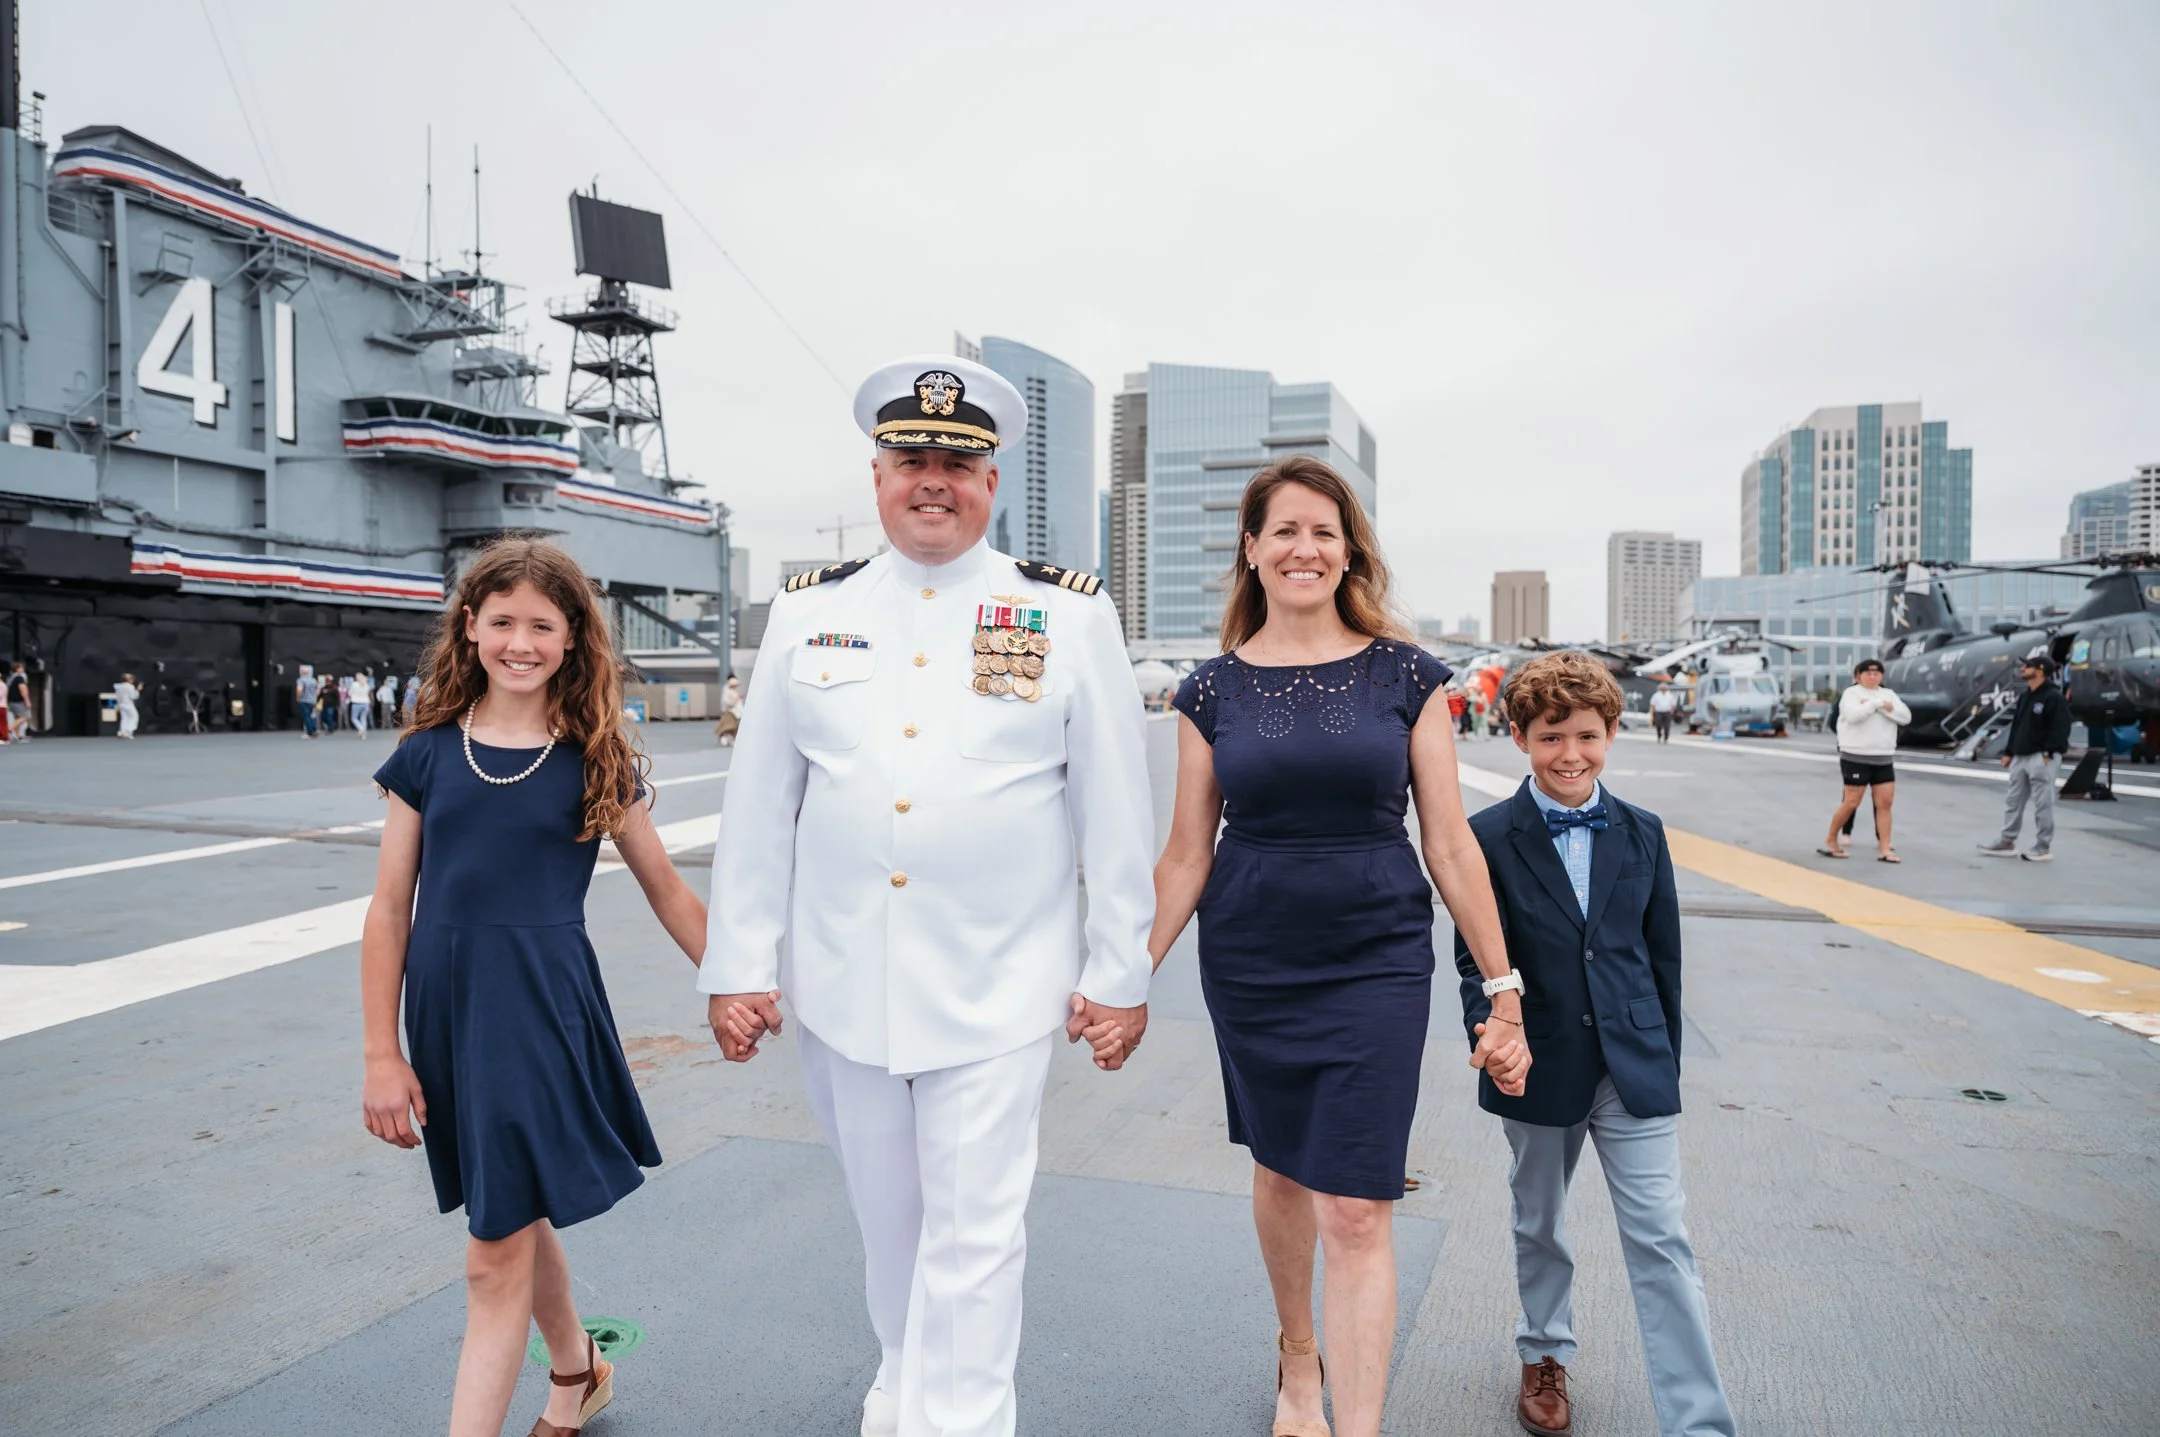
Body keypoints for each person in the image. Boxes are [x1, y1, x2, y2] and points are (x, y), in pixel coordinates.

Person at [702, 356, 1153, 1437]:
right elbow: (762, 806)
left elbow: (1115, 811)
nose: (933, 480)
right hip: (845, 978)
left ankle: (960, 1417)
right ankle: (905, 1379)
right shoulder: (813, 615)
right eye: (913, 460)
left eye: (957, 460)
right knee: (890, 1221)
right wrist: (738, 967)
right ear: (878, 476)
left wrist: (1117, 972)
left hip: (1001, 979)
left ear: (992, 479)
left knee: (976, 1232)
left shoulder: (1063, 615)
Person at [1152, 456, 1524, 1437]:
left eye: (1323, 531)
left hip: (1376, 955)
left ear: (1348, 547)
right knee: (1280, 1171)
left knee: (1357, 1206)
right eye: (1284, 531)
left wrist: (1503, 985)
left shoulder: (1407, 675)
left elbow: (1449, 841)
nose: (1304, 548)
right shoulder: (1210, 692)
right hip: (1253, 956)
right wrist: (1121, 980)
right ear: (1252, 549)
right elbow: (1187, 855)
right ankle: (1297, 1357)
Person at [360, 537, 707, 1437]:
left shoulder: (595, 756)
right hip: (447, 1014)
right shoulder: (427, 755)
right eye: (502, 620)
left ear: (572, 639)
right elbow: (390, 910)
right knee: (509, 1209)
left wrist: (742, 984)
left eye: (541, 625)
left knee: (490, 1257)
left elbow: (669, 890)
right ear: (470, 627)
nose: (521, 640)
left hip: (541, 1013)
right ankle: (577, 1371)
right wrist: (380, 1052)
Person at [1456, 651, 1734, 1437]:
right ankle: (1544, 1351)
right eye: (1550, 737)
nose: (1570, 754)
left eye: (1586, 735)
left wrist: (1663, 1062)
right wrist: (1493, 1036)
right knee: (1539, 1219)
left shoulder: (1644, 831)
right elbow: (1473, 958)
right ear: (1518, 737)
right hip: (1537, 1064)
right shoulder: (1486, 837)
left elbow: (1663, 957)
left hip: (1634, 1066)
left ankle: (1701, 1422)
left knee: (1663, 1241)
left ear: (1613, 731)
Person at [1980, 654, 2072, 863]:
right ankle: (2007, 841)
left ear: (2039, 670)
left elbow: (2061, 728)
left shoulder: (2054, 698)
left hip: (2041, 756)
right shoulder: (2025, 697)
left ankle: (2043, 845)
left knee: (2043, 803)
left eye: (2027, 666)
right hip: (2021, 757)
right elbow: (2017, 727)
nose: (2023, 669)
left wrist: (2049, 752)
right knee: (2013, 801)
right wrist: (2009, 752)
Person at [1820, 658, 1911, 863]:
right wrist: (1878, 705)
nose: (1872, 676)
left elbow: (1905, 717)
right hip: (1856, 755)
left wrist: (1882, 706)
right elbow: (1853, 716)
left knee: (1885, 802)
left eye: (1877, 673)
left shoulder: (1889, 694)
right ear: (1858, 676)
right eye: (1868, 673)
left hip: (1883, 756)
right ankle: (1831, 838)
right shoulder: (1851, 694)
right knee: (1852, 801)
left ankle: (1885, 848)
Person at [712, 672, 743, 745]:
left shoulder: (730, 690)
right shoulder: (727, 690)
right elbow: (727, 701)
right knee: (729, 727)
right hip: (730, 711)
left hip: (733, 712)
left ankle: (728, 739)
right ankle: (725, 739)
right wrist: (734, 701)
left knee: (730, 727)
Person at [6, 661, 32, 742]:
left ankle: (17, 736)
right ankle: (9, 729)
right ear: (17, 669)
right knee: (25, 716)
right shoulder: (20, 678)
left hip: (11, 701)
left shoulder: (10, 677)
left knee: (17, 717)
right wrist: (27, 701)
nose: (23, 669)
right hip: (18, 701)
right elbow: (23, 690)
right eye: (21, 667)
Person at [295, 665, 322, 738]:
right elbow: (318, 690)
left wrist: (298, 697)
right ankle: (314, 730)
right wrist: (314, 696)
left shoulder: (301, 680)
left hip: (304, 700)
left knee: (306, 716)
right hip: (312, 700)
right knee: (309, 716)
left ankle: (311, 731)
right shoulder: (313, 680)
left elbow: (299, 689)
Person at [114, 673, 141, 739]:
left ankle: (122, 732)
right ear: (128, 679)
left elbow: (117, 696)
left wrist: (117, 705)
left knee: (124, 718)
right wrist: (138, 690)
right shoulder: (130, 687)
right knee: (134, 717)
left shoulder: (118, 687)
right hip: (128, 704)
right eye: (131, 678)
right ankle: (128, 732)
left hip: (121, 704)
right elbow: (133, 696)